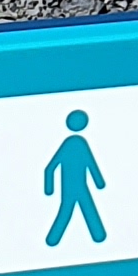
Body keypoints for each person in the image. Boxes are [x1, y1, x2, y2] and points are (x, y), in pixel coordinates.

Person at [42, 106, 108, 248]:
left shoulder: (76, 143)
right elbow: (50, 167)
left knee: (82, 209)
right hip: (72, 187)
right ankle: (53, 240)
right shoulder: (74, 144)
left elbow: (90, 163)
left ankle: (99, 236)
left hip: (78, 186)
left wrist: (99, 182)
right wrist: (48, 189)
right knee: (69, 210)